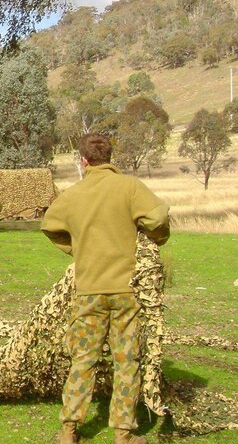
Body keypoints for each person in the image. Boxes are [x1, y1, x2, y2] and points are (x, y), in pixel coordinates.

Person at [41, 133, 170, 444]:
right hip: (127, 291)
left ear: (83, 161)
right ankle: (124, 434)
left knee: (83, 359)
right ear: (110, 157)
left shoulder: (73, 195)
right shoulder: (130, 187)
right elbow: (159, 216)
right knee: (127, 360)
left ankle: (69, 430)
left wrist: (77, 249)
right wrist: (155, 238)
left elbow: (49, 225)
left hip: (88, 292)